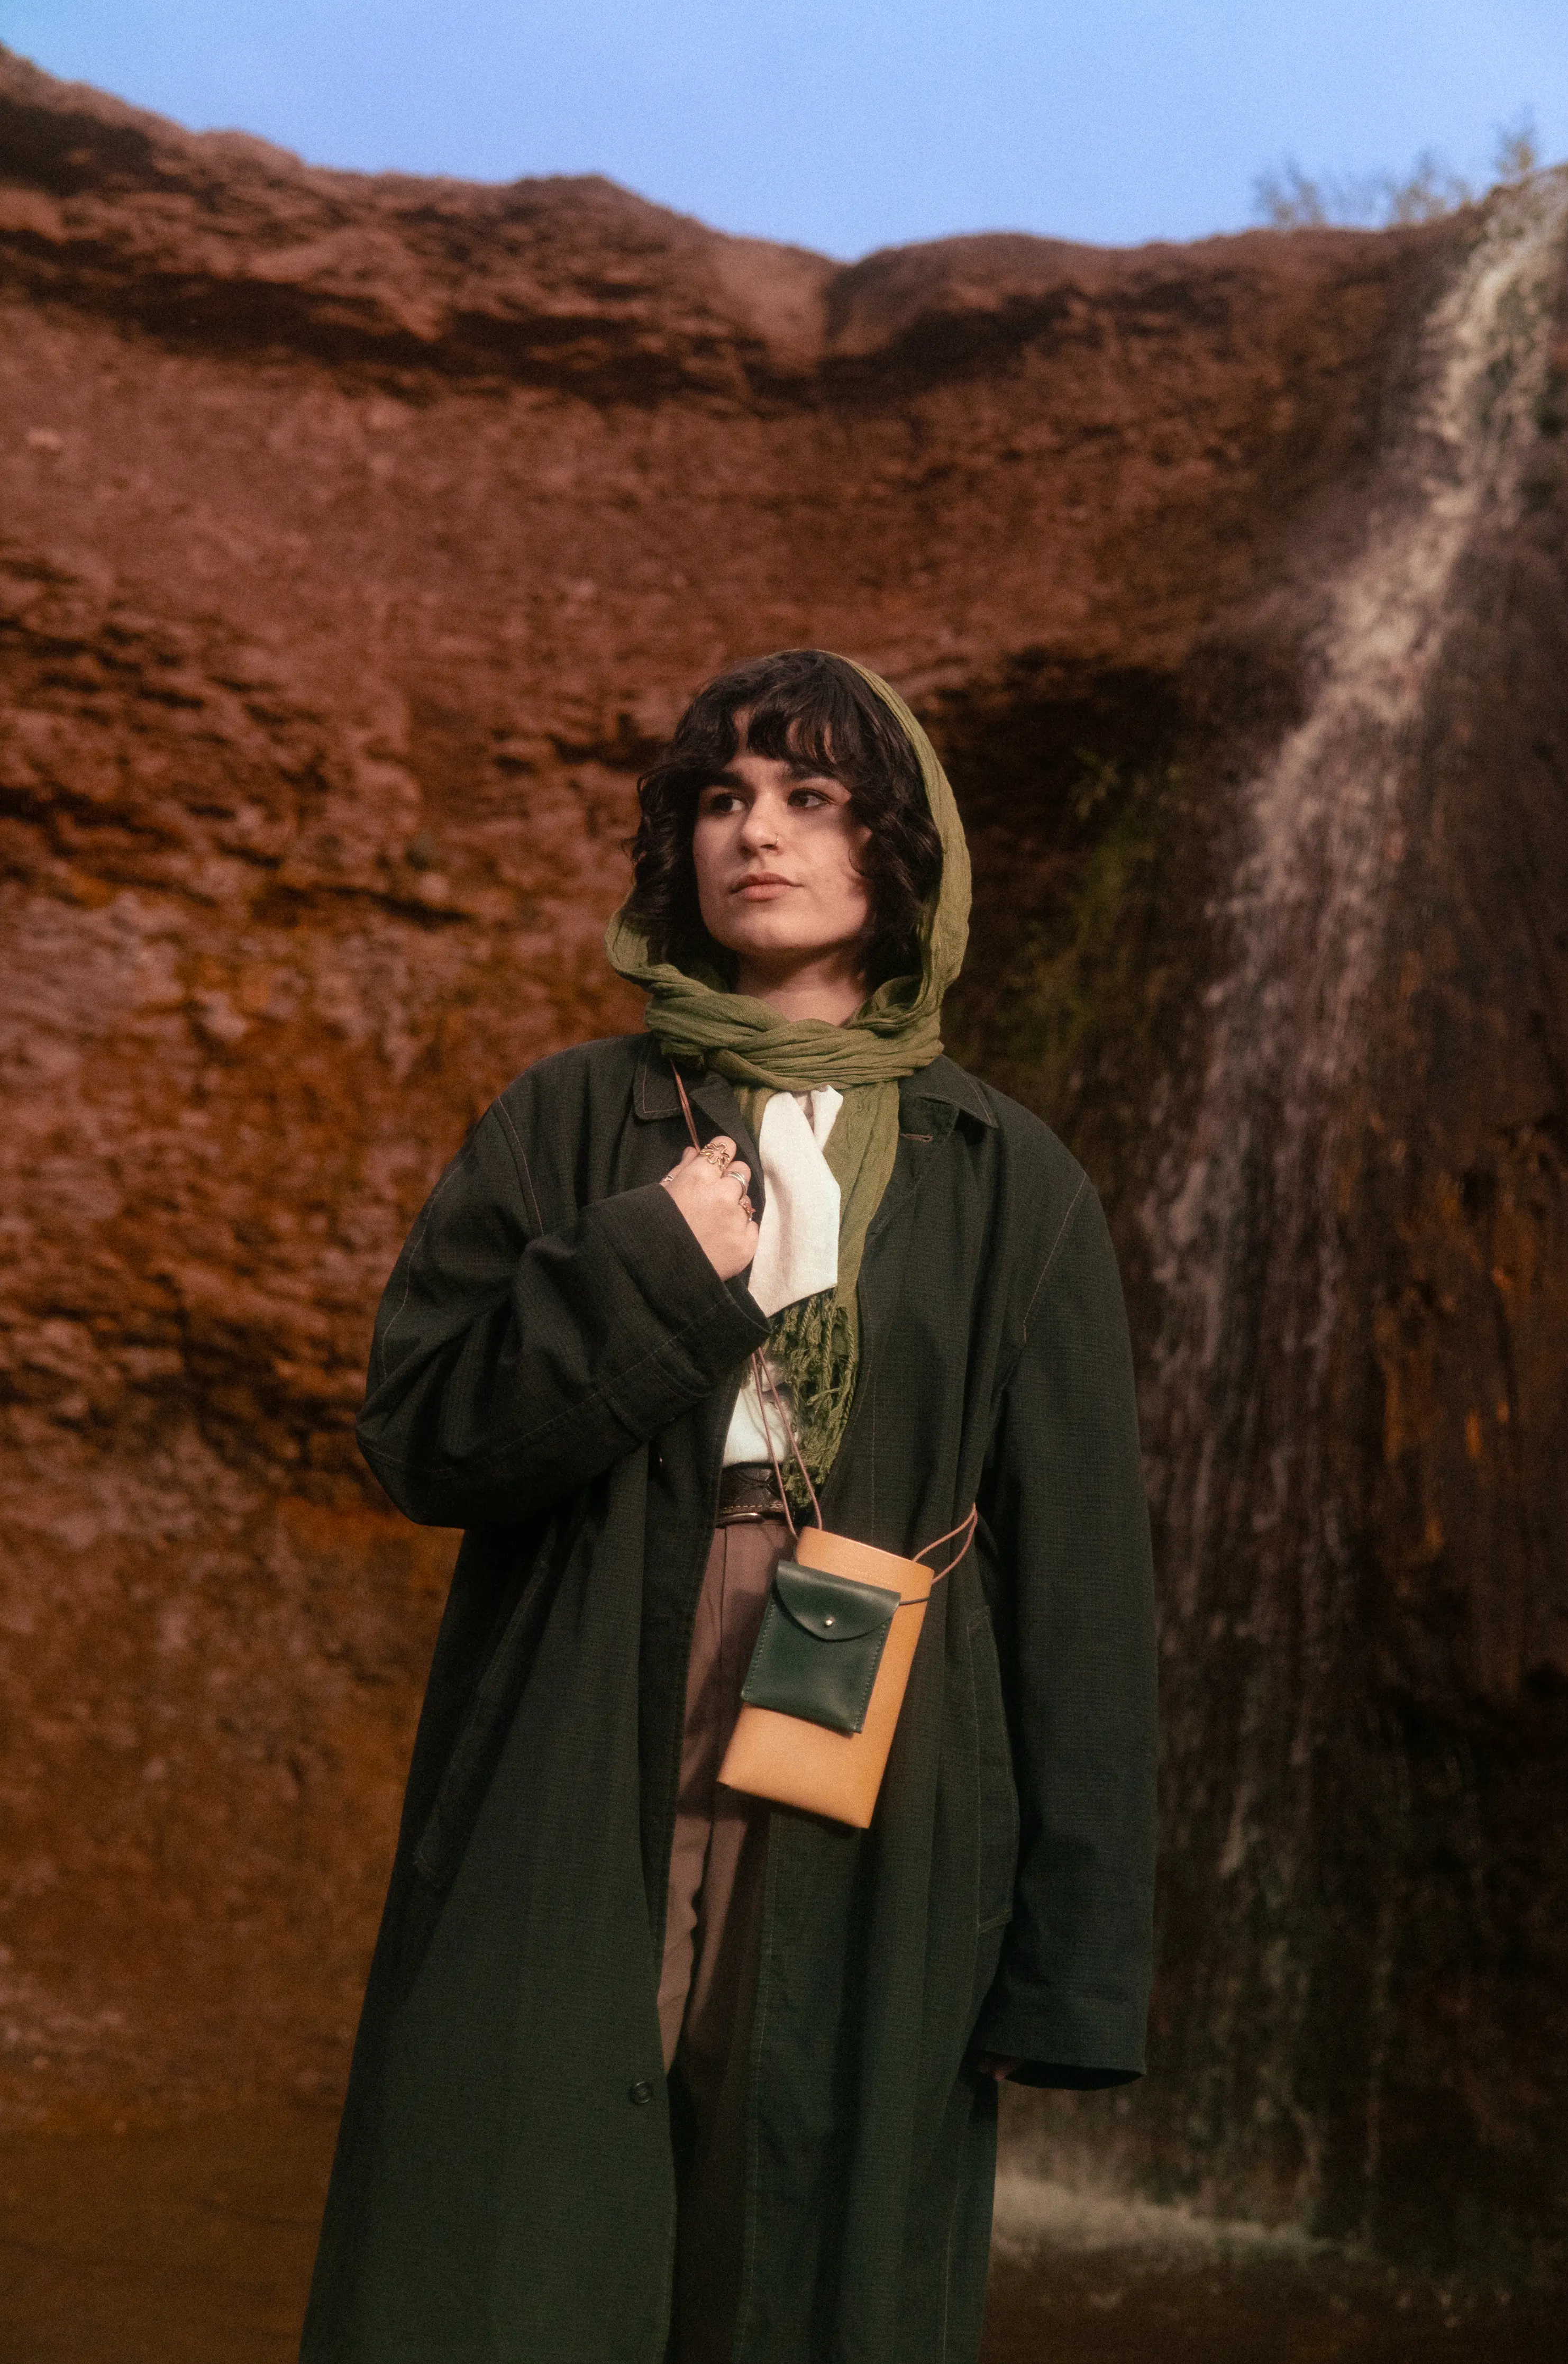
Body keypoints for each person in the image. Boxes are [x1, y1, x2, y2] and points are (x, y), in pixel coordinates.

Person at [299, 650, 1157, 2364]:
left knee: (800, 2213)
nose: (754, 831)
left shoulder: (1010, 1182)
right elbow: (417, 1439)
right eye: (722, 796)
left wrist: (1068, 1968)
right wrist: (640, 1269)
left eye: (809, 797)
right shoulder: (570, 1123)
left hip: (882, 1747)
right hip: (582, 1694)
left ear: (893, 851)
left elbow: (1080, 1593)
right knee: (524, 2213)